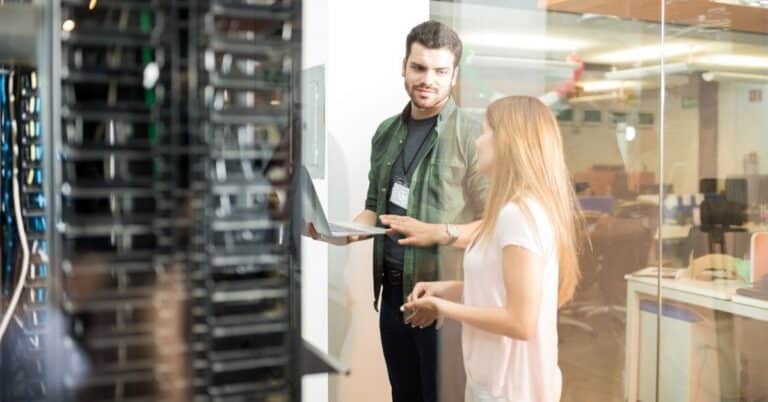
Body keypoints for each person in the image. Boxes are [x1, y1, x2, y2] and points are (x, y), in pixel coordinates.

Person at [306, 21, 488, 402]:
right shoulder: (386, 133)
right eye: (419, 68)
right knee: (403, 395)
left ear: (454, 76)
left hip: (445, 306)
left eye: (440, 71)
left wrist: (439, 232)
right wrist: (338, 232)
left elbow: (493, 225)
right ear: (404, 65)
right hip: (393, 300)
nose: (428, 80)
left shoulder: (473, 135)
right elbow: (375, 208)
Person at [400, 96, 584, 402]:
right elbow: (500, 291)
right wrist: (448, 289)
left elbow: (520, 322)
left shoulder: (519, 216)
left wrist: (442, 309)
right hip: (491, 381)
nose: (477, 143)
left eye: (484, 132)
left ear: (507, 143)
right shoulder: (512, 212)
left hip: (508, 390)